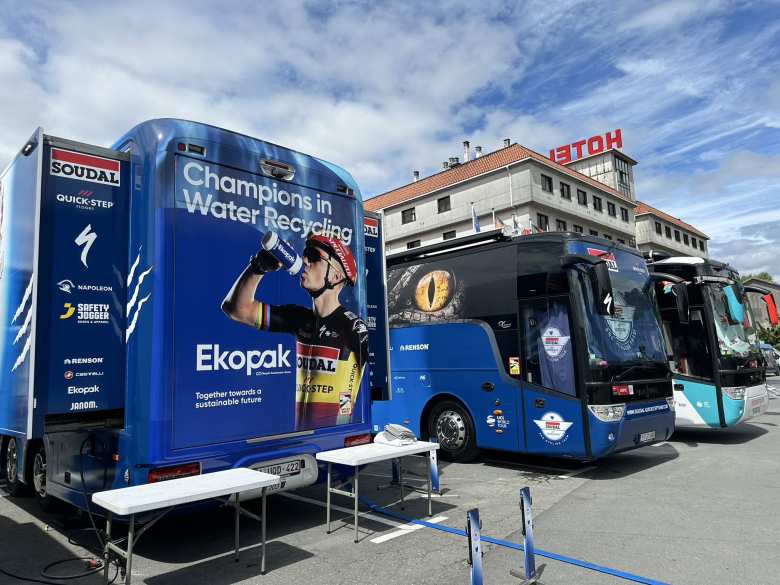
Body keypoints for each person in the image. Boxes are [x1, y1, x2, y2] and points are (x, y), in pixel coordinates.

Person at [221, 233, 367, 430]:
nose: (305, 260)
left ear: (336, 276)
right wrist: (257, 267)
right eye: (305, 254)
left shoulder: (354, 327)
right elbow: (236, 309)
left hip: (335, 441)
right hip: (302, 437)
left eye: (314, 257)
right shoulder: (299, 319)